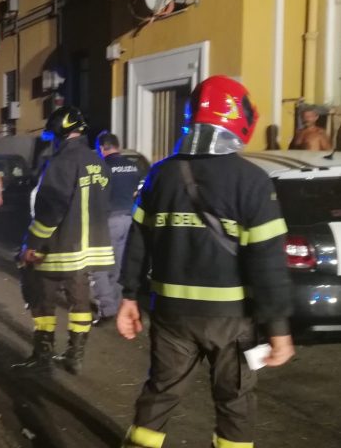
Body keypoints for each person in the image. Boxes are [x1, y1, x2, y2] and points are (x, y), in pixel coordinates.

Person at [117, 75, 295, 448]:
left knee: (160, 394)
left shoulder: (159, 175)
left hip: (170, 315)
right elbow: (267, 264)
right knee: (235, 401)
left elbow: (137, 242)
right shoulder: (252, 182)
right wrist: (277, 327)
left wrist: (129, 297)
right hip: (231, 321)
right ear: (239, 118)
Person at [12, 106, 114, 375]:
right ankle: (75, 356)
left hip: (58, 249)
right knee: (80, 303)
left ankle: (43, 354)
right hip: (86, 252)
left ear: (59, 131)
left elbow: (50, 211)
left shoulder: (60, 163)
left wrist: (31, 244)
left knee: (42, 301)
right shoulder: (98, 161)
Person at [89, 132, 141, 326]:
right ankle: (118, 304)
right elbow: (137, 191)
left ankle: (107, 309)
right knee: (118, 266)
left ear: (102, 148)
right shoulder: (133, 166)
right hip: (128, 219)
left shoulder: (102, 167)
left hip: (106, 221)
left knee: (98, 267)